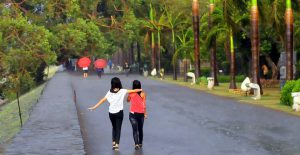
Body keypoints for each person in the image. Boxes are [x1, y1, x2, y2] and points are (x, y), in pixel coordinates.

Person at [88, 77, 142, 151]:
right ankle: (117, 144)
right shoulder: (123, 91)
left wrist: (94, 107)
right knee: (118, 128)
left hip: (111, 113)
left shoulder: (109, 92)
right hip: (119, 113)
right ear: (119, 83)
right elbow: (133, 90)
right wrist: (140, 89)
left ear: (112, 84)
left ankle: (113, 142)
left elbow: (102, 100)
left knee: (114, 127)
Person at [127, 80, 147, 150]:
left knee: (135, 130)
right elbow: (144, 105)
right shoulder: (143, 94)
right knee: (140, 129)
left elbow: (128, 100)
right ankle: (140, 143)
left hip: (132, 114)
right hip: (141, 114)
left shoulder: (131, 93)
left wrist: (130, 96)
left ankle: (136, 144)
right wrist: (145, 114)